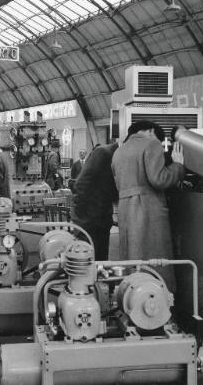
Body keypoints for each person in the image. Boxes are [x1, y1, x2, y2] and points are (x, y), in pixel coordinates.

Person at [111, 121, 185, 291]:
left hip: (125, 209)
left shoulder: (119, 151)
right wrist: (177, 166)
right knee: (155, 260)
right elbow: (159, 179)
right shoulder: (151, 143)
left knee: (132, 258)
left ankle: (132, 296)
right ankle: (157, 301)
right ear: (151, 131)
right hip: (147, 208)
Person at [70, 143, 119, 261]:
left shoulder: (110, 154)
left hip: (102, 217)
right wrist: (84, 217)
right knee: (87, 260)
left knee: (100, 259)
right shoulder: (103, 153)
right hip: (88, 219)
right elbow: (80, 184)